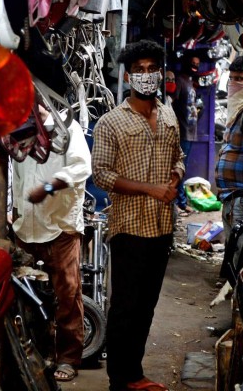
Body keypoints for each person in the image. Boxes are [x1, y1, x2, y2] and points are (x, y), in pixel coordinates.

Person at [91, 39, 185, 391]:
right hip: (129, 226)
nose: (146, 76)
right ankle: (119, 379)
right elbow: (101, 174)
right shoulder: (110, 123)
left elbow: (178, 156)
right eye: (139, 71)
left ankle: (134, 372)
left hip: (162, 227)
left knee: (146, 306)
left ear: (160, 73)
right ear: (128, 76)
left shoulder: (170, 114)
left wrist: (175, 175)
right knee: (125, 308)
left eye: (151, 70)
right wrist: (151, 189)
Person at [11, 107, 91, 382]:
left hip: (60, 225)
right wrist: (15, 210)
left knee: (67, 294)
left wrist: (47, 187)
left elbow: (81, 167)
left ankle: (68, 358)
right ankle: (38, 355)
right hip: (26, 226)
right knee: (28, 297)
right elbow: (17, 176)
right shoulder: (18, 128)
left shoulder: (67, 127)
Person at [214, 56, 243, 277]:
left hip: (242, 191)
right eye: (232, 79)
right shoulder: (237, 112)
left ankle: (238, 288)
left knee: (239, 245)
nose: (235, 84)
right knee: (232, 242)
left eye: (241, 79)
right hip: (229, 194)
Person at [171, 53, 200, 216]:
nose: (195, 66)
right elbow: (172, 102)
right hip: (182, 132)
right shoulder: (180, 81)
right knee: (179, 167)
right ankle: (179, 202)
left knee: (183, 167)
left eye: (197, 63)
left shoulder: (190, 82)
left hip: (190, 132)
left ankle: (180, 202)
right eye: (193, 62)